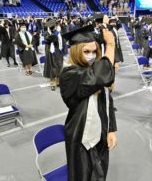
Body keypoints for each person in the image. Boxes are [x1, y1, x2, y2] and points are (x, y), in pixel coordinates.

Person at [60, 25, 117, 181]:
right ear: (76, 51)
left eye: (94, 51)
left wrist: (111, 129)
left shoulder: (93, 68)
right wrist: (110, 45)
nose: (91, 55)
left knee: (99, 174)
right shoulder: (69, 74)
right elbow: (99, 76)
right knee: (82, 176)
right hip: (80, 137)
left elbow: (107, 101)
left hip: (101, 133)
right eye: (86, 51)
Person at [43, 19, 63, 91]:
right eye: (52, 27)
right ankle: (52, 84)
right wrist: (56, 33)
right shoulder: (46, 33)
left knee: (59, 67)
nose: (53, 28)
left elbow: (61, 42)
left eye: (54, 26)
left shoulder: (58, 33)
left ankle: (58, 82)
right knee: (52, 68)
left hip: (58, 52)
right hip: (50, 53)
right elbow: (49, 40)